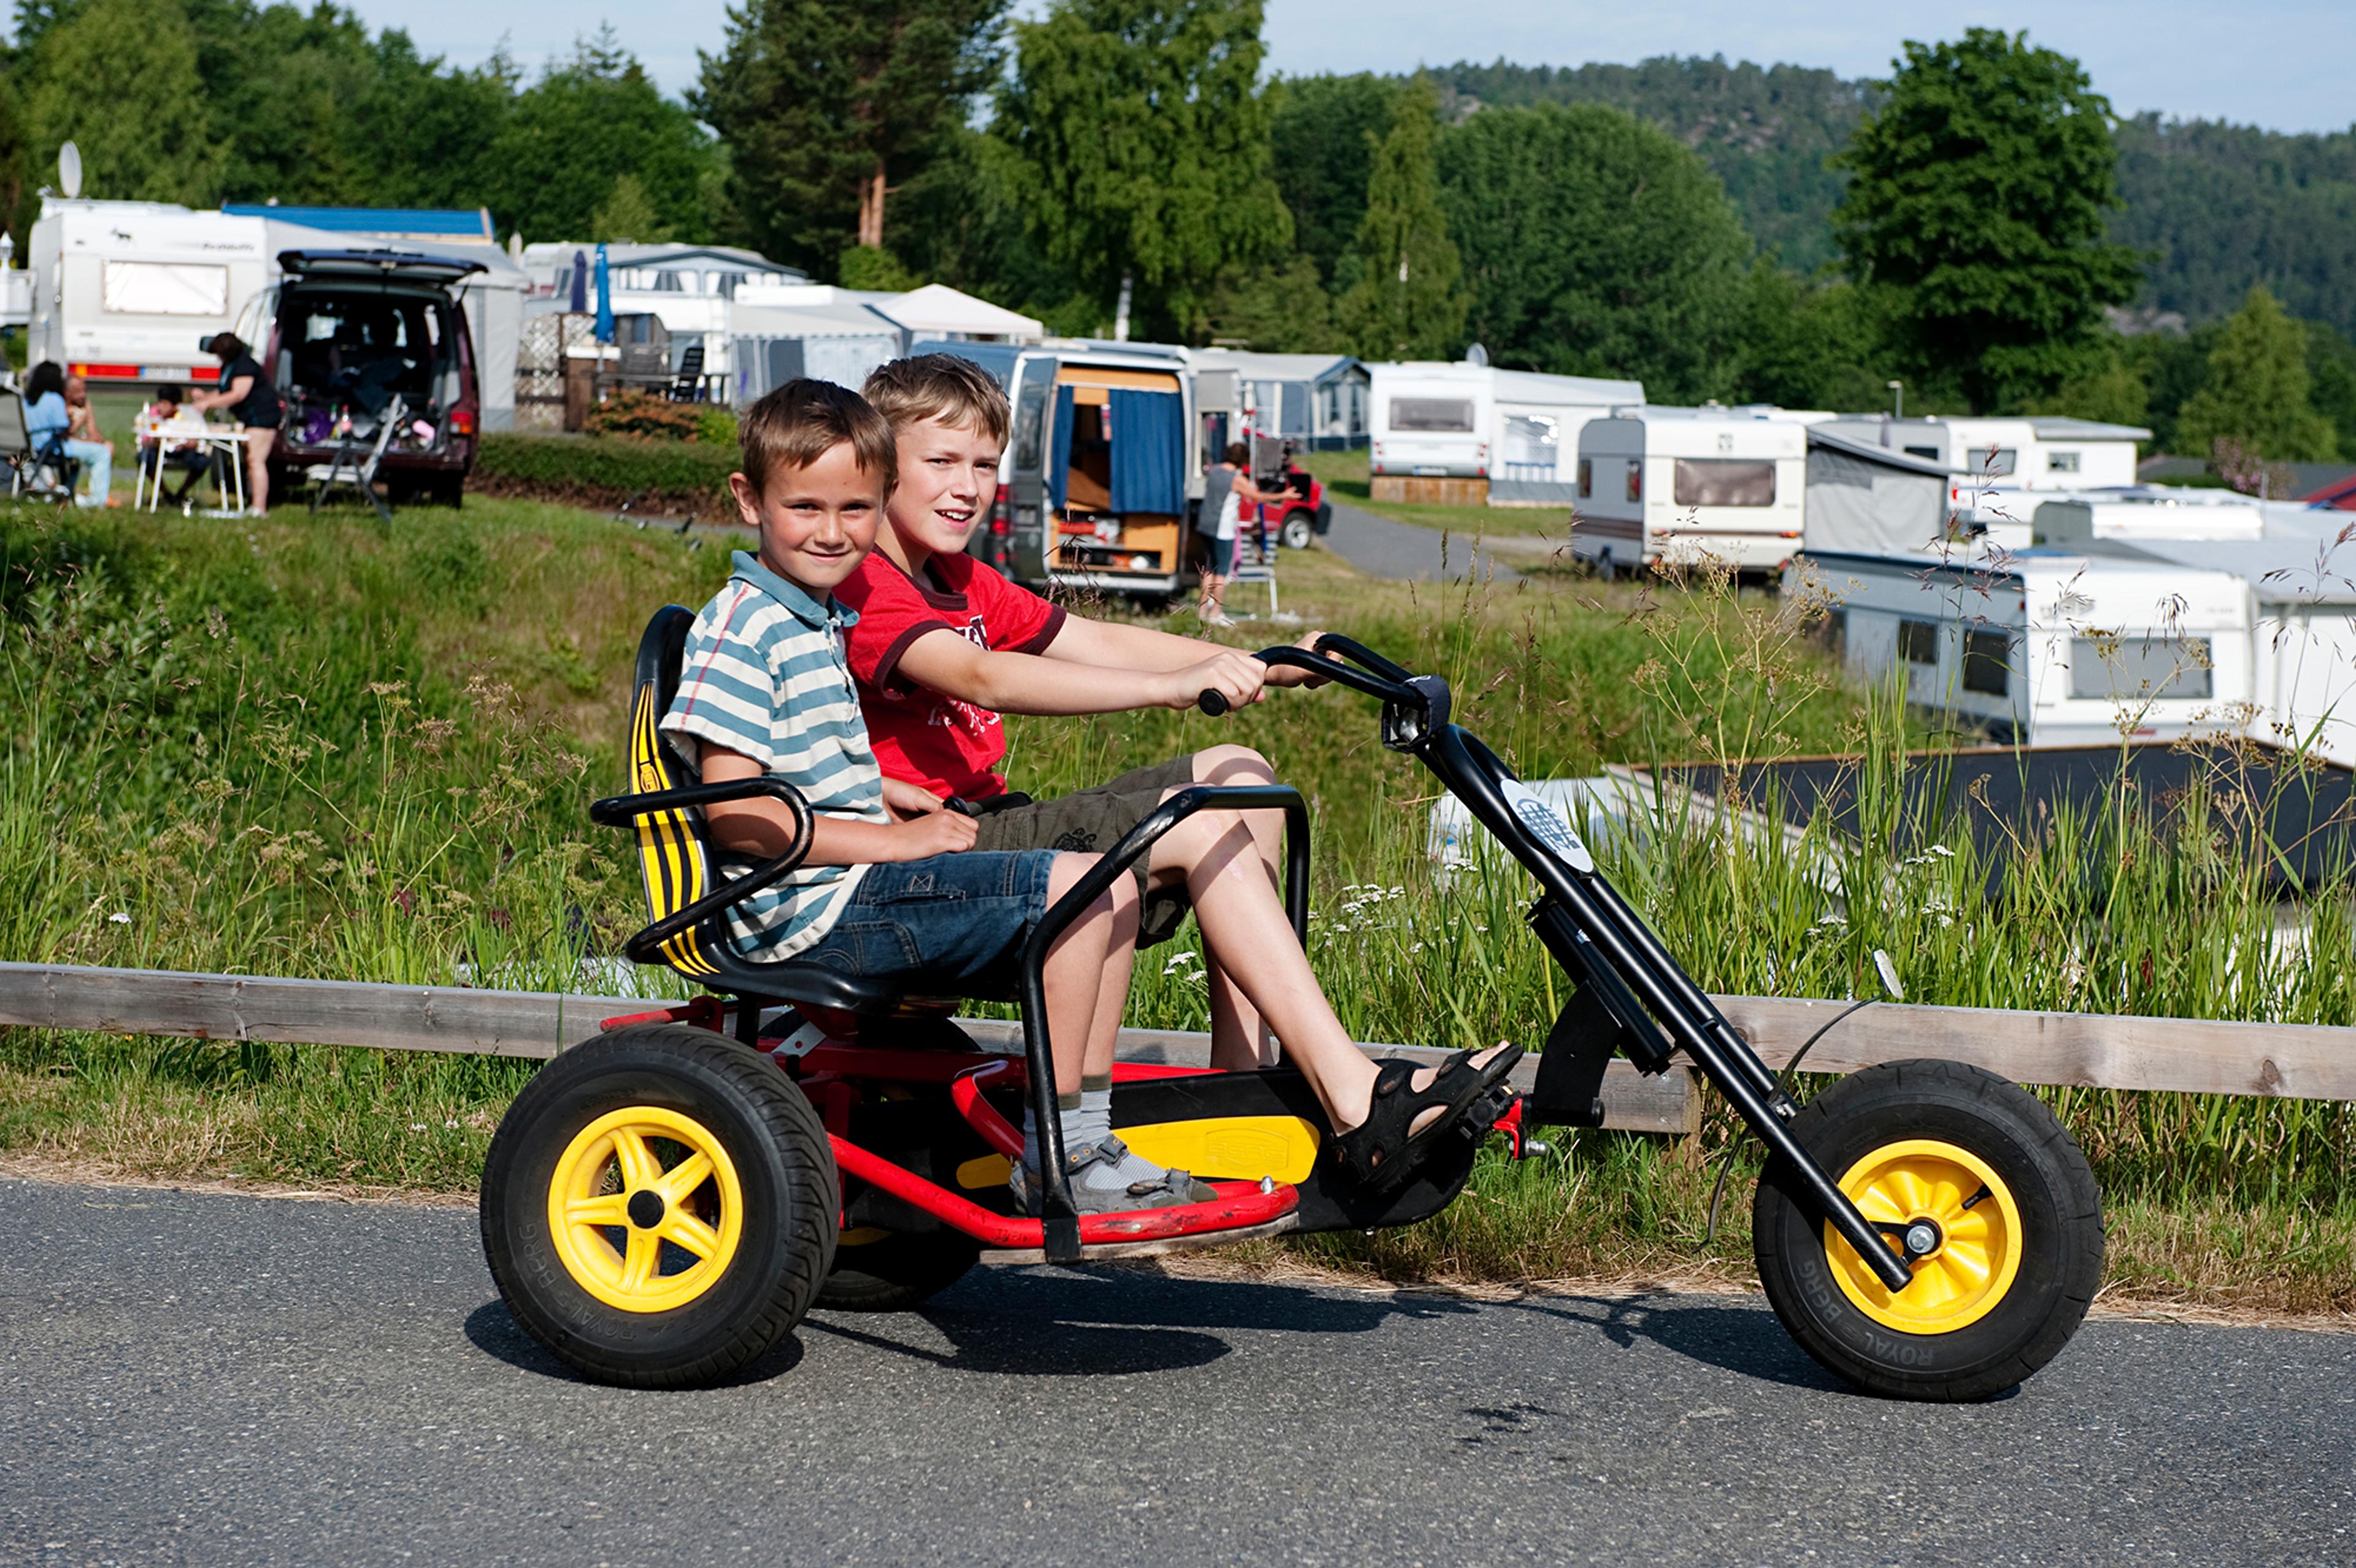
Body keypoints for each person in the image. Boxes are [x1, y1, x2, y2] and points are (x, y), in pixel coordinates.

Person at [839, 353, 1519, 1176]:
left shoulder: (958, 576)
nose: (968, 487)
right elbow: (980, 675)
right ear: (878, 466)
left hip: (985, 824)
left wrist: (1255, 664)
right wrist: (1169, 688)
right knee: (1200, 821)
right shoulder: (868, 583)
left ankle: (1244, 1084)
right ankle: (1356, 1099)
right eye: (940, 462)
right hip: (933, 852)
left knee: (1241, 773)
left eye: (984, 465)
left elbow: (1093, 638)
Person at [661, 377, 1210, 1215]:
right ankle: (1063, 1149)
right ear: (749, 499)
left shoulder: (809, 617)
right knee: (1075, 884)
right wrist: (890, 842)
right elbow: (739, 812)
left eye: (854, 510)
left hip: (838, 889)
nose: (834, 533)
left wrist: (878, 787)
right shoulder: (745, 629)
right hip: (806, 911)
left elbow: (785, 764)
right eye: (806, 507)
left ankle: (1084, 1134)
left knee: (1106, 878)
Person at [187, 332, 282, 517]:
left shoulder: (245, 366)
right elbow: (225, 391)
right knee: (250, 461)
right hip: (249, 419)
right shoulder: (229, 366)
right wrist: (205, 397)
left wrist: (208, 404)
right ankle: (251, 501)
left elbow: (238, 394)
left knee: (256, 461)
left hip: (262, 418)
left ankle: (259, 508)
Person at [1194, 440, 1279, 626]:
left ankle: (1201, 612)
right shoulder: (1236, 479)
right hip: (1222, 529)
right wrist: (1284, 496)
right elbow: (1259, 497)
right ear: (1243, 460)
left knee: (1208, 570)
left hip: (1205, 525)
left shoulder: (1214, 471)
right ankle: (1215, 612)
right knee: (1222, 572)